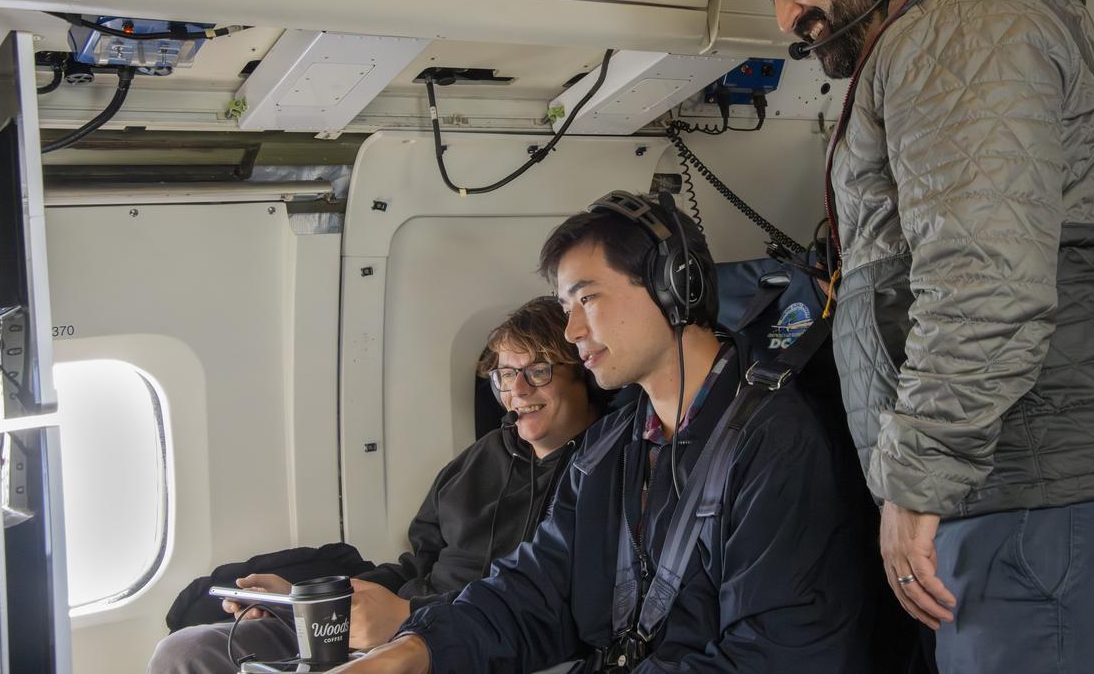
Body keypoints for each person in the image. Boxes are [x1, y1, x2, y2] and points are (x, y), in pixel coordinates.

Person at [744, 0, 1094, 674]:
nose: (786, 17)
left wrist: (915, 485)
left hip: (1050, 499)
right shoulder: (925, 50)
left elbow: (984, 280)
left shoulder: (957, 33)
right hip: (1025, 500)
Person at [329, 190, 874, 673]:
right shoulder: (609, 449)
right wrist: (416, 649)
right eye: (567, 308)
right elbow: (537, 590)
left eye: (587, 299)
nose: (571, 331)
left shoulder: (776, 442)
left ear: (673, 286)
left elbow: (777, 652)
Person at [148, 296, 600, 673]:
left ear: (582, 375)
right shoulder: (483, 458)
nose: (517, 391)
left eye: (538, 370)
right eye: (505, 374)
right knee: (188, 653)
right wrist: (306, 598)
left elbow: (560, 609)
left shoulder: (603, 473)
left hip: (466, 643)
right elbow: (416, 565)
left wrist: (409, 618)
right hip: (392, 619)